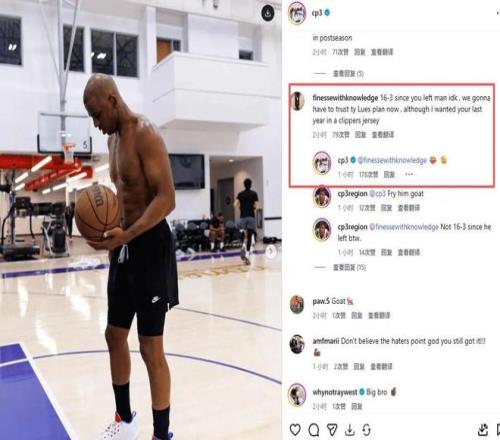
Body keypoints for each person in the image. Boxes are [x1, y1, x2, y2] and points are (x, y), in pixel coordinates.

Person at [83, 73, 178, 440]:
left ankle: (161, 434)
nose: (96, 124)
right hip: (124, 249)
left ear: (112, 100)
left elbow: (167, 198)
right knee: (113, 335)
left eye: (97, 114)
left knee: (151, 347)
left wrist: (129, 234)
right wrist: (110, 237)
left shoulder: (145, 133)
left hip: (151, 246)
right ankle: (125, 421)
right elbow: (122, 199)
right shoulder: (112, 140)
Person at [234, 178, 259, 265]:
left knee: (245, 234)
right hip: (251, 217)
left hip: (243, 217)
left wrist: (240, 208)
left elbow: (235, 204)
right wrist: (253, 208)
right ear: (250, 185)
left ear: (244, 185)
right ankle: (247, 255)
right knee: (250, 235)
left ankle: (243, 246)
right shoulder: (254, 194)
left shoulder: (240, 194)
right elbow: (257, 206)